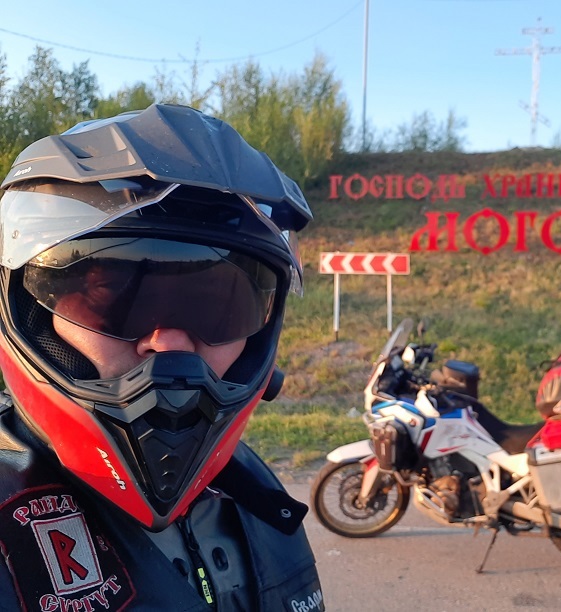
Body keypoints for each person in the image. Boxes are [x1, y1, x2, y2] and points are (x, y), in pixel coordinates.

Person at [0, 104, 325, 611]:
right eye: (113, 300)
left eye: (217, 308)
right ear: (31, 313)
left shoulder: (252, 489)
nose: (170, 347)